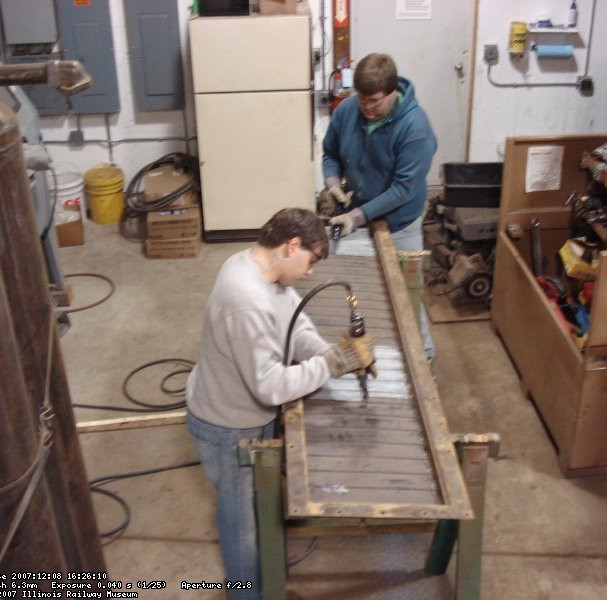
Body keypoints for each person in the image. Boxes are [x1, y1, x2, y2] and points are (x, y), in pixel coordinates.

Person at [185, 208, 375, 599]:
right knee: (241, 526)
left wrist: (329, 354)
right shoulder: (246, 299)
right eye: (310, 261)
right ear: (291, 246)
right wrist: (333, 364)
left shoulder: (259, 268)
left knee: (255, 509)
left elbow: (295, 323)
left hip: (242, 412)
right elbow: (270, 387)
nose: (310, 273)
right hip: (229, 428)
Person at [320, 52, 437, 359]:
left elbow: (403, 189)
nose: (367, 109)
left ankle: (424, 357)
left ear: (392, 92)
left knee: (405, 297)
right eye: (362, 100)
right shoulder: (348, 111)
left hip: (400, 223)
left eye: (375, 101)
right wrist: (332, 183)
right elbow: (329, 152)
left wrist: (355, 217)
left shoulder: (415, 128)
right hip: (356, 211)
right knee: (362, 289)